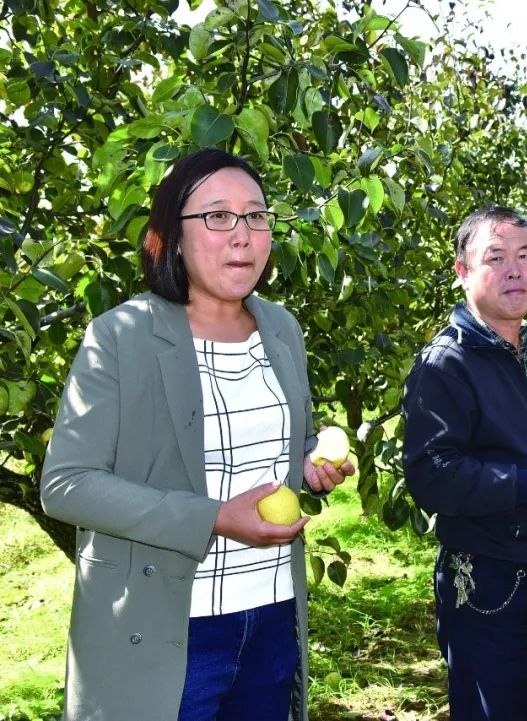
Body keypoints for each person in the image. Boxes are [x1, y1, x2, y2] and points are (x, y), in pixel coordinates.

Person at [40, 149, 353, 721]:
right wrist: (212, 517)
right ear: (173, 237)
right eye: (216, 216)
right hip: (166, 627)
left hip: (271, 615)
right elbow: (66, 484)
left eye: (256, 216)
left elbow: (292, 443)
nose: (242, 235)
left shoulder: (281, 328)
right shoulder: (120, 337)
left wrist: (315, 463)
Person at [402, 206, 527, 721]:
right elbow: (431, 475)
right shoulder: (447, 363)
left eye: (525, 255)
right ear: (462, 271)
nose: (514, 269)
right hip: (492, 586)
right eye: (495, 257)